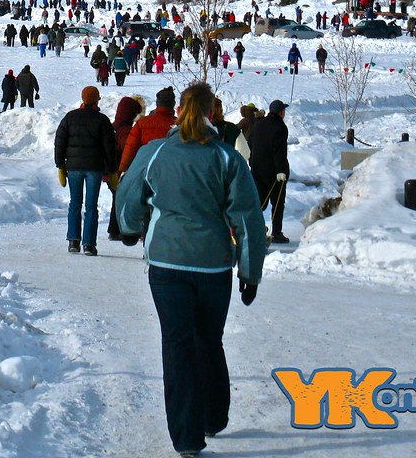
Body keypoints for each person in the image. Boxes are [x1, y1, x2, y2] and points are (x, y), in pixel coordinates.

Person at [116, 82, 267, 457]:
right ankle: (213, 417)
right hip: (214, 266)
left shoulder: (155, 152)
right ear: (212, 114)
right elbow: (247, 219)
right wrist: (249, 272)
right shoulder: (227, 159)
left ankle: (186, 438)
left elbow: (129, 194)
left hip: (167, 263)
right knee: (209, 340)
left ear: (180, 111)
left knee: (177, 345)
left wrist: (131, 228)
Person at [54, 86, 119, 256]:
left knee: (75, 204)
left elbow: (59, 143)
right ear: (96, 100)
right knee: (91, 207)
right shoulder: (102, 120)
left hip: (74, 168)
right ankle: (89, 244)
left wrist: (60, 165)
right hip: (94, 168)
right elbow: (109, 147)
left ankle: (73, 241)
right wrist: (112, 170)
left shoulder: (70, 117)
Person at [249, 100, 291, 244]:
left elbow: (250, 143)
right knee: (278, 202)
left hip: (256, 169)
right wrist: (281, 170)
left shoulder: (258, 124)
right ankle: (277, 233)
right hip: (274, 173)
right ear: (281, 112)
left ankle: (252, 228)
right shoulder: (280, 127)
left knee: (259, 202)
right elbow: (279, 151)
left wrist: (252, 162)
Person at [107, 95, 142, 241]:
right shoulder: (126, 130)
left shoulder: (112, 126)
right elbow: (129, 149)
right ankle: (117, 230)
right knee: (120, 199)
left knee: (116, 197)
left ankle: (113, 229)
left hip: (109, 169)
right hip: (120, 170)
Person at [120, 87, 177, 173]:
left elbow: (130, 150)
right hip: (171, 173)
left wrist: (122, 171)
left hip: (146, 171)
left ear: (157, 103)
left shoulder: (142, 123)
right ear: (174, 104)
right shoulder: (180, 126)